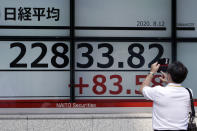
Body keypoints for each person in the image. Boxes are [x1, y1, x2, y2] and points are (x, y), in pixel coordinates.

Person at [139, 61, 190, 131]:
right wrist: (169, 81)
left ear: (168, 75)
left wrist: (152, 72)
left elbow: (142, 89)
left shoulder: (158, 91)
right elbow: (174, 88)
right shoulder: (189, 92)